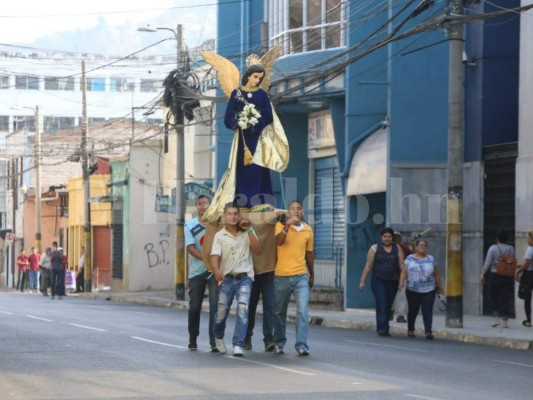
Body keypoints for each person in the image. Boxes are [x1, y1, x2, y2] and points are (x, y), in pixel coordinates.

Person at [211, 202, 262, 357]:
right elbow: (214, 256)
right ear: (224, 217)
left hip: (245, 278)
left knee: (242, 310)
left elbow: (258, 249)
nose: (232, 217)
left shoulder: (247, 232)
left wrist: (250, 229)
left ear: (239, 216)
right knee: (221, 311)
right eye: (229, 214)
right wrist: (216, 269)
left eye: (235, 214)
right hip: (227, 279)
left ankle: (237, 344)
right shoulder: (219, 236)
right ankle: (218, 337)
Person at [272, 200, 314, 356]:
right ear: (288, 212)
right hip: (281, 275)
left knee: (302, 311)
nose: (295, 211)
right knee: (279, 312)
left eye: (298, 209)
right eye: (292, 209)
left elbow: (309, 254)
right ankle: (279, 342)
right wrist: (287, 226)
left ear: (302, 212)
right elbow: (278, 242)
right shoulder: (279, 227)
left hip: (301, 276)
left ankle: (302, 345)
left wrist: (312, 274)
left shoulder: (308, 230)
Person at [185, 195, 219, 352]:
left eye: (205, 203)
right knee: (195, 306)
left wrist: (214, 264)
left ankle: (214, 341)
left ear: (210, 206)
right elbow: (191, 249)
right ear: (196, 207)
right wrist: (207, 260)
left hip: (214, 272)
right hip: (196, 272)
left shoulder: (216, 224)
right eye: (199, 204)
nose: (202, 206)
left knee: (215, 306)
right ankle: (193, 338)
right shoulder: (190, 225)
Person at [359, 227, 405, 336]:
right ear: (381, 237)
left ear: (392, 238)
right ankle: (382, 328)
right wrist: (362, 281)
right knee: (382, 302)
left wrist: (402, 279)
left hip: (392, 281)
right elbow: (369, 265)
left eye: (389, 237)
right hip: (378, 280)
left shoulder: (397, 248)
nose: (387, 239)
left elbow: (401, 264)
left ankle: (385, 326)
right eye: (385, 236)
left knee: (388, 305)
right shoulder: (374, 248)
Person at [399, 239, 443, 339]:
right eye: (421, 245)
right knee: (413, 310)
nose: (423, 247)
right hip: (412, 289)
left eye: (425, 245)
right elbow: (404, 272)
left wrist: (440, 288)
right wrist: (401, 282)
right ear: (416, 247)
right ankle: (410, 329)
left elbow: (436, 275)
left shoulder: (431, 259)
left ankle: (428, 331)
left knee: (427, 310)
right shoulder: (410, 258)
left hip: (429, 289)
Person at [480, 230, 515, 328]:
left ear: (498, 238)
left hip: (495, 275)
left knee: (493, 297)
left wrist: (482, 274)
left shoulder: (493, 248)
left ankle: (496, 319)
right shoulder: (511, 249)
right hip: (507, 276)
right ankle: (505, 321)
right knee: (505, 298)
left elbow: (488, 262)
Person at [391, 231, 411, 323]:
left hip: (401, 276)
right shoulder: (385, 249)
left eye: (397, 237)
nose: (395, 239)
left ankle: (400, 315)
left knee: (402, 296)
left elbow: (412, 256)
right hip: (389, 276)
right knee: (388, 296)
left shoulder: (404, 248)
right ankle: (389, 312)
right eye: (394, 237)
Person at [516, 230, 533, 327]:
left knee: (527, 298)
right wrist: (520, 266)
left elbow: (527, 263)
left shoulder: (530, 249)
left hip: (529, 275)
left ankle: (528, 320)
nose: (527, 240)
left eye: (529, 238)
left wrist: (519, 271)